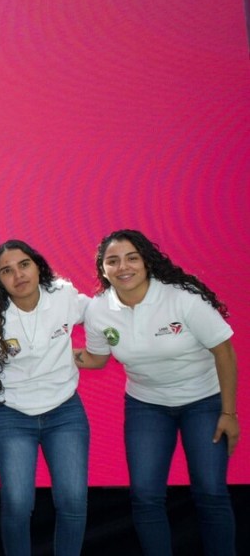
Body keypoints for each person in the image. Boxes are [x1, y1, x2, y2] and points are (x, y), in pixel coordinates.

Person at [78, 229, 239, 555]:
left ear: (147, 262)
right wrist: (49, 356)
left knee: (210, 492)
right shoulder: (98, 310)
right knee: (146, 496)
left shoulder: (181, 298)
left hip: (203, 403)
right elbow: (97, 358)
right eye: (113, 261)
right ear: (103, 269)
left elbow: (224, 350)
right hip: (146, 405)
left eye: (132, 258)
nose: (123, 267)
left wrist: (229, 413)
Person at [0, 240, 89, 556]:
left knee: (73, 500)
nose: (18, 275)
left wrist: (97, 353)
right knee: (18, 504)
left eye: (24, 265)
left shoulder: (63, 295)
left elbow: (100, 313)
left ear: (38, 266)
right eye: (6, 271)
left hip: (65, 412)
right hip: (12, 416)